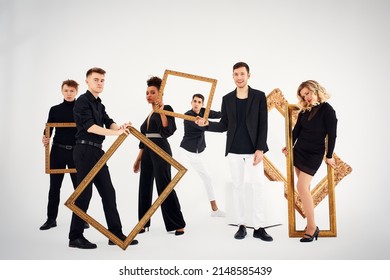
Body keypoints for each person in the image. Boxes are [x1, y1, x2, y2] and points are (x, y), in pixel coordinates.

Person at [196, 62, 273, 242]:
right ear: (232, 76)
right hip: (234, 150)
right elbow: (224, 125)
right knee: (237, 187)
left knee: (258, 186)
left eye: (242, 74)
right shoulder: (227, 98)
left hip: (254, 151)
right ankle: (241, 225)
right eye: (236, 74)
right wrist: (206, 125)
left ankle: (259, 227)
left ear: (248, 75)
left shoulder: (259, 96)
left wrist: (260, 148)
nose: (239, 77)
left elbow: (263, 124)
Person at [68, 67, 138, 249]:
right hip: (84, 150)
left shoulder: (99, 103)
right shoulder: (82, 101)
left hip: (98, 151)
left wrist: (121, 128)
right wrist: (115, 134)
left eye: (102, 80)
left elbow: (109, 121)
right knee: (84, 194)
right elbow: (90, 127)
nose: (99, 83)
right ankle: (75, 237)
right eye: (96, 80)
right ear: (87, 82)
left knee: (108, 192)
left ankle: (114, 234)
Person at [282, 80, 337, 242]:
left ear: (316, 90)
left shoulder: (328, 110)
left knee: (301, 186)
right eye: (303, 95)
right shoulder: (304, 111)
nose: (306, 97)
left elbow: (332, 135)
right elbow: (296, 131)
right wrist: (289, 146)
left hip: (314, 154)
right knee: (304, 187)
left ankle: (312, 226)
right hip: (299, 152)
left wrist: (329, 156)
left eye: (308, 93)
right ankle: (311, 225)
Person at [133, 76, 186, 236]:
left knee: (164, 185)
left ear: (160, 93)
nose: (149, 95)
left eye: (152, 92)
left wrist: (161, 110)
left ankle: (178, 224)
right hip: (147, 151)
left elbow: (167, 131)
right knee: (144, 186)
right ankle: (143, 223)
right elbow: (144, 138)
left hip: (161, 149)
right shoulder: (149, 114)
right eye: (147, 93)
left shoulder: (166, 108)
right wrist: (138, 159)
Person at [40, 79, 89, 230]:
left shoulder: (81, 109)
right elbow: (49, 127)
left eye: (72, 91)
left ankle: (82, 219)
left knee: (79, 188)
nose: (69, 93)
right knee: (54, 187)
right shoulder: (54, 109)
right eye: (66, 90)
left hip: (76, 151)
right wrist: (45, 137)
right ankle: (51, 219)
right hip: (57, 152)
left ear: (76, 92)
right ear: (62, 91)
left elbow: (87, 128)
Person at [179, 93, 225, 217]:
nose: (196, 103)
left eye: (199, 102)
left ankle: (214, 210)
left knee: (208, 178)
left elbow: (219, 114)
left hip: (198, 154)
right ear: (191, 102)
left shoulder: (204, 112)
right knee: (177, 178)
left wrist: (231, 111)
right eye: (195, 101)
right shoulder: (188, 115)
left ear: (203, 104)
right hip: (186, 151)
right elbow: (203, 126)